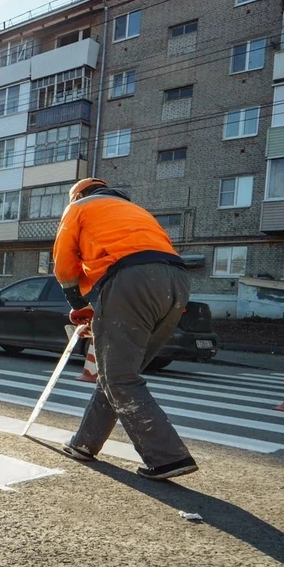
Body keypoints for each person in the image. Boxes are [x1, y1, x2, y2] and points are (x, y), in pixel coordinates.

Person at [53, 178, 198, 481]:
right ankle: (84, 443)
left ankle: (168, 457)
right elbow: (128, 254)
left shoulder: (79, 207)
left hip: (132, 280)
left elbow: (65, 264)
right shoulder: (134, 212)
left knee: (119, 376)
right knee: (119, 373)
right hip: (176, 283)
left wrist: (78, 303)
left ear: (79, 194)